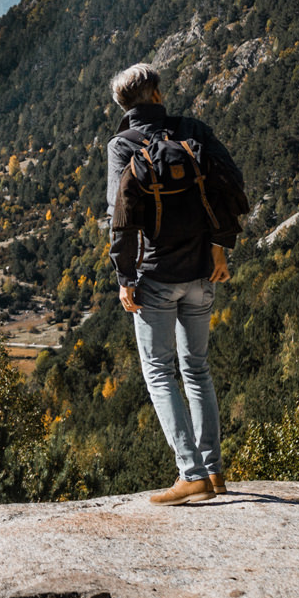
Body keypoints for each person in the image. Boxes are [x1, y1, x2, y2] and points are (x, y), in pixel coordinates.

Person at [104, 62, 243, 505]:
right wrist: (221, 246)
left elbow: (119, 214)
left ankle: (190, 474)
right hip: (203, 271)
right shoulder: (192, 130)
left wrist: (125, 276)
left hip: (156, 277)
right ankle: (214, 472)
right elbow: (230, 186)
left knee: (159, 372)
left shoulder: (122, 145)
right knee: (197, 369)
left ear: (124, 107)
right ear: (158, 96)